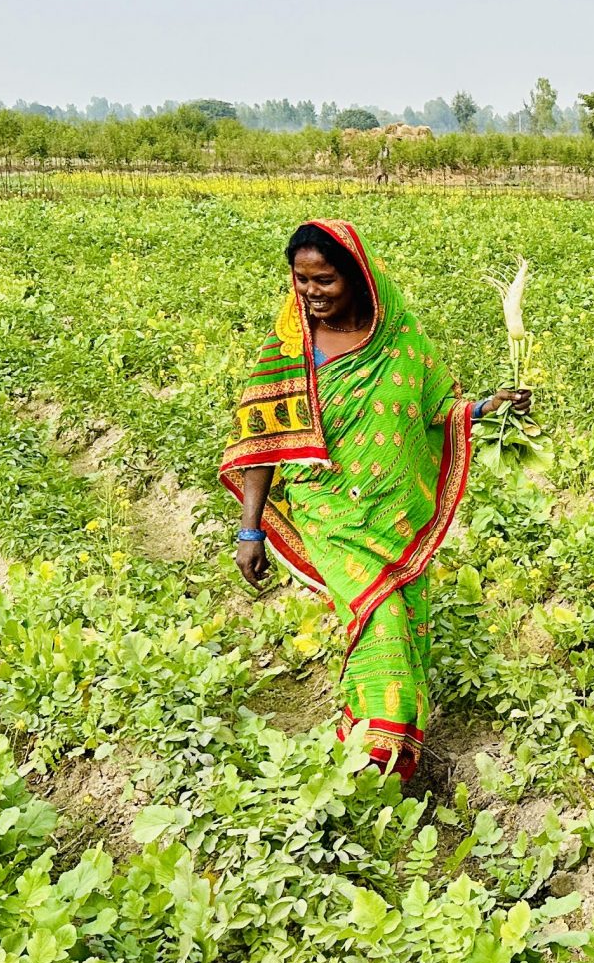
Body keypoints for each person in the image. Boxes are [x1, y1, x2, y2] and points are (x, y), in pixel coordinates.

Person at [220, 220, 529, 781]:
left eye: (325, 281)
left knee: (406, 622)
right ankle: (368, 762)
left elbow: (436, 410)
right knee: (378, 618)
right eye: (301, 280)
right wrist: (250, 529)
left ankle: (391, 757)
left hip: (390, 509)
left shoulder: (401, 340)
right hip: (329, 513)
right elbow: (262, 440)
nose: (311, 293)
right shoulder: (291, 346)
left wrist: (488, 408)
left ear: (357, 278)